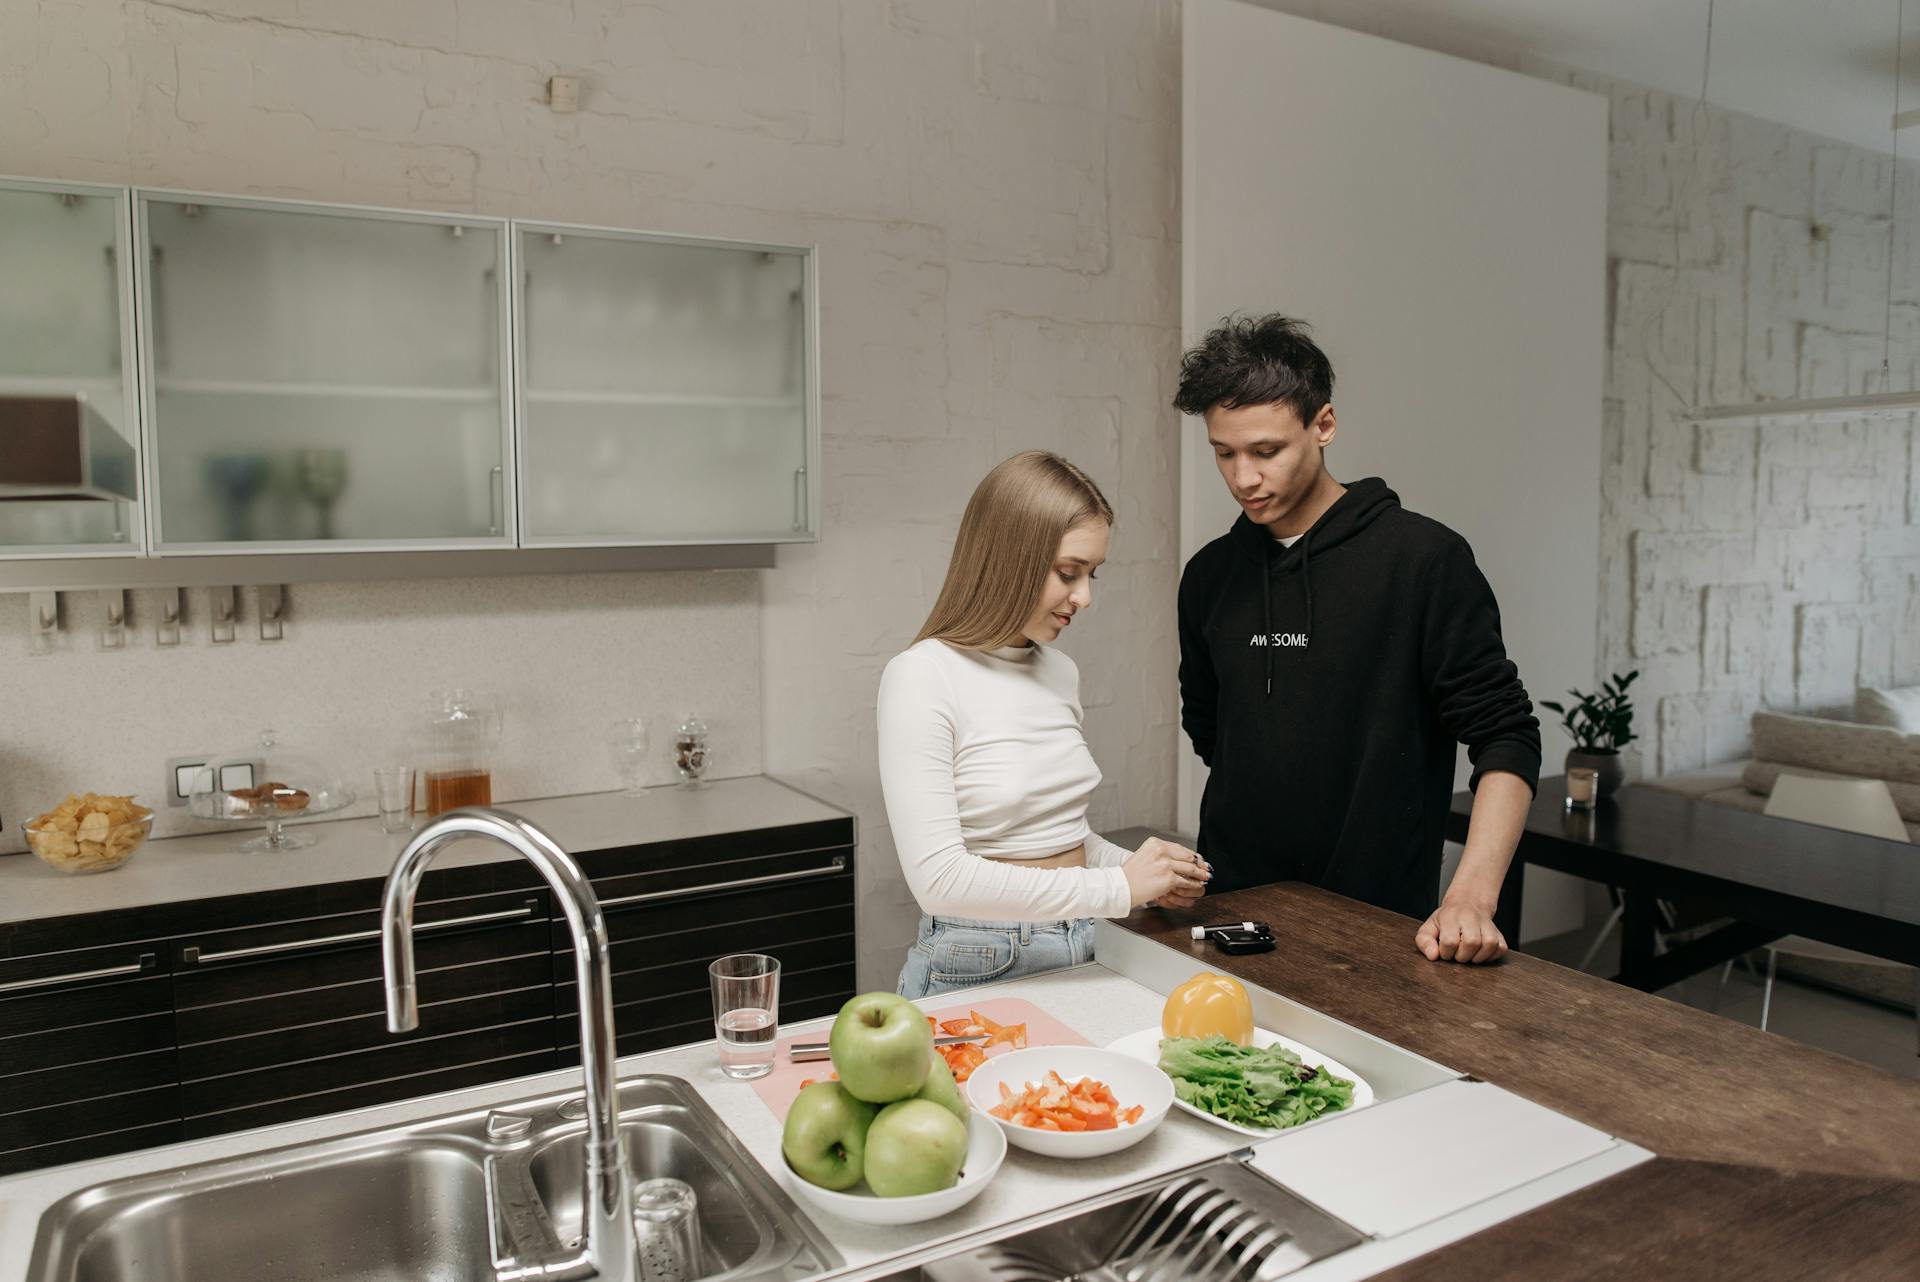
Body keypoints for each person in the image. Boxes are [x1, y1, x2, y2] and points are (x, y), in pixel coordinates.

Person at [1173, 315, 1539, 964]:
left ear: (1324, 426)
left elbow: (1505, 734)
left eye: (1266, 450)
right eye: (1224, 453)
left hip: (1380, 923)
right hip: (1235, 912)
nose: (1243, 478)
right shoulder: (1209, 577)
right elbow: (1211, 730)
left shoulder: (1424, 560)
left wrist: (1472, 898)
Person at [880, 450, 1211, 998]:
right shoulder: (922, 675)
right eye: (1068, 573)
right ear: (1008, 559)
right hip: (978, 957)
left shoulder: (1059, 671)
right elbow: (940, 880)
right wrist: (1116, 887)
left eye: (1092, 574)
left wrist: (1142, 873)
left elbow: (1056, 839)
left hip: (1085, 940)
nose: (1084, 597)